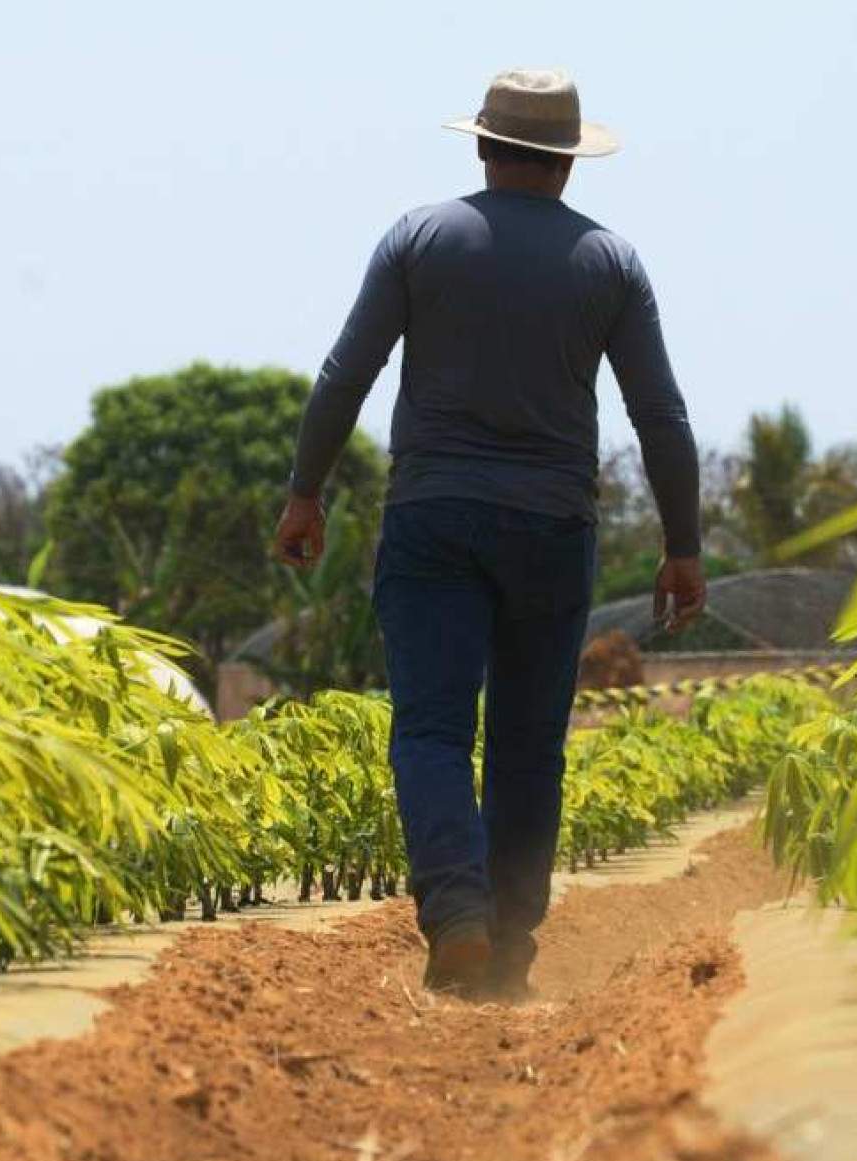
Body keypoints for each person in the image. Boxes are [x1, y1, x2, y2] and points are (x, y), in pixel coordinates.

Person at [275, 68, 705, 999]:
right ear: (567, 164)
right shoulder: (611, 263)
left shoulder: (421, 238)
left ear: (481, 145)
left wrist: (305, 492)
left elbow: (345, 372)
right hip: (552, 525)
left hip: (433, 516)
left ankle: (458, 914)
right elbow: (659, 415)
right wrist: (684, 545)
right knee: (527, 739)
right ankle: (509, 940)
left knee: (431, 727)